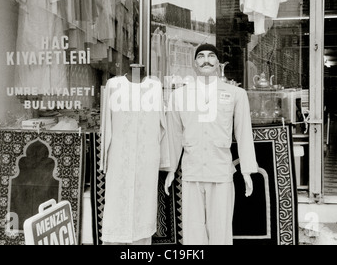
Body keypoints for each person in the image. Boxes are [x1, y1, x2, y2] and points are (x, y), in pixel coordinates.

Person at [164, 44, 258, 245]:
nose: (206, 60)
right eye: (201, 56)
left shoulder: (236, 94)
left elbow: (243, 133)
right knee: (192, 233)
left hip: (221, 171)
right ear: (194, 63)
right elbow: (173, 134)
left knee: (220, 231)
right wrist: (171, 169)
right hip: (192, 172)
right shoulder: (179, 96)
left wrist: (247, 171)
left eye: (211, 56)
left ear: (218, 62)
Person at [100, 64, 170, 245]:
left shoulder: (154, 87)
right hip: (119, 157)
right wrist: (105, 159)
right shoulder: (113, 85)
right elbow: (106, 123)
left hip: (146, 158)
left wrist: (163, 159)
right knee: (117, 206)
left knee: (143, 208)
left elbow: (162, 124)